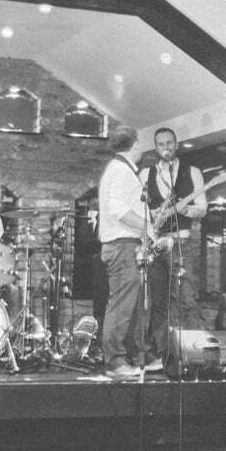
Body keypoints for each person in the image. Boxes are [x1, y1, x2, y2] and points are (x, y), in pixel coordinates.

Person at [140, 127, 209, 372]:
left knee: (186, 298)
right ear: (155, 147)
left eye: (170, 143)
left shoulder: (193, 172)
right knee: (158, 302)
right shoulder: (145, 173)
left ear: (176, 144)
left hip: (180, 241)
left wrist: (186, 210)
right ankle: (162, 355)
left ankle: (198, 355)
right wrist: (152, 220)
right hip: (157, 243)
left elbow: (202, 207)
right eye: (160, 144)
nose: (166, 148)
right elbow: (141, 210)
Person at [96, 129, 152, 381]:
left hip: (125, 244)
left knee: (128, 304)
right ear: (136, 145)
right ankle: (115, 361)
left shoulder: (118, 169)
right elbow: (118, 209)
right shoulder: (120, 171)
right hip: (122, 244)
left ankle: (124, 356)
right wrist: (147, 226)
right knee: (121, 305)